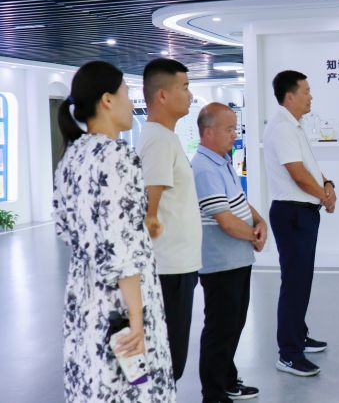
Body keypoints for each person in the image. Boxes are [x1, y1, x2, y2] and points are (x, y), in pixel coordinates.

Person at [53, 61, 175, 402]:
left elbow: (68, 228)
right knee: (134, 387)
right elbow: (119, 249)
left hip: (85, 296)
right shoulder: (116, 155)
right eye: (125, 93)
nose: (130, 102)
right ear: (107, 100)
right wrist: (136, 318)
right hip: (120, 302)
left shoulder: (72, 156)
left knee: (95, 386)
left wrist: (137, 226)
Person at [191, 102, 267, 402]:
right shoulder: (203, 167)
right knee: (220, 328)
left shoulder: (222, 161)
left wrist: (260, 222)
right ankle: (213, 392)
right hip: (220, 263)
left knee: (233, 324)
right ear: (208, 132)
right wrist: (253, 235)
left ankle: (227, 379)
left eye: (235, 128)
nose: (235, 134)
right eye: (229, 129)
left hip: (237, 259)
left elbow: (238, 201)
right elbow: (224, 220)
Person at [263, 70, 336, 377]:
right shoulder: (282, 127)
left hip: (302, 212)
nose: (311, 96)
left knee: (301, 280)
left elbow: (309, 167)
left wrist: (327, 184)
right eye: (306, 91)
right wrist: (324, 196)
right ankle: (289, 354)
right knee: (295, 282)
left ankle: (299, 335)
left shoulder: (295, 125)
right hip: (292, 212)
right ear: (290, 96)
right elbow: (297, 173)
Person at [137, 58, 203, 381]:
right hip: (168, 268)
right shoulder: (159, 140)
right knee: (168, 359)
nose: (190, 95)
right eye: (185, 87)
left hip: (179, 265)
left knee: (171, 356)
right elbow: (151, 204)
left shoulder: (166, 137)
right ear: (162, 95)